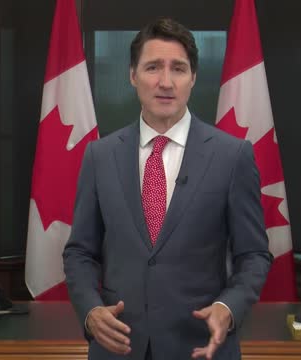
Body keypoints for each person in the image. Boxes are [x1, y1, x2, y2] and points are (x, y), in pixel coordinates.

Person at [63, 17, 272, 360]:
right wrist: (91, 311)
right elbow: (80, 252)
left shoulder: (232, 156)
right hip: (119, 347)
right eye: (152, 68)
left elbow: (254, 255)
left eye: (178, 68)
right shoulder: (100, 155)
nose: (165, 82)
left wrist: (228, 307)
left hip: (198, 346)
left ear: (193, 78)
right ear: (132, 75)